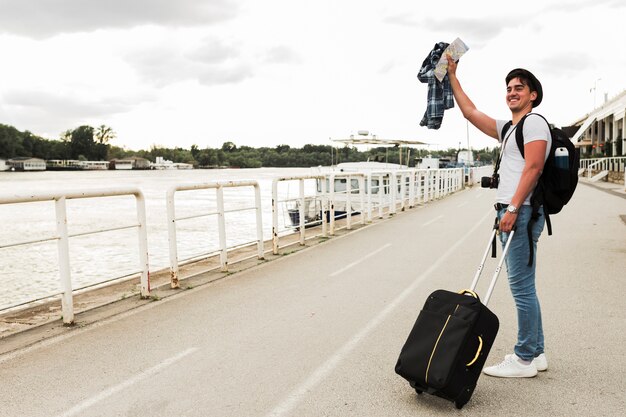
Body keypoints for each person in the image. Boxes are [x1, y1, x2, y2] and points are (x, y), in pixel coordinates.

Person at [446, 55, 551, 378]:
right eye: (508, 88)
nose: (512, 92)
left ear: (533, 95)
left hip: (520, 213)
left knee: (520, 288)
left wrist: (514, 207)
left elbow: (533, 168)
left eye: (519, 87)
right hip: (515, 212)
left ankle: (522, 360)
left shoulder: (534, 123)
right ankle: (536, 353)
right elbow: (470, 111)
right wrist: (452, 75)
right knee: (525, 287)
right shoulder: (510, 128)